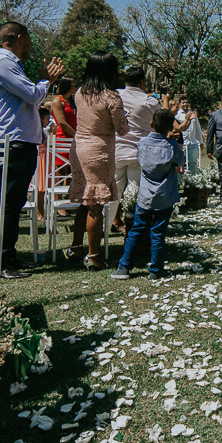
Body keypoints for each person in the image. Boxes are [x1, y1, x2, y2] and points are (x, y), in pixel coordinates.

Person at [0, 21, 64, 277]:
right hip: (14, 141)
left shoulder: (12, 65)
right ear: (20, 38)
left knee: (15, 202)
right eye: (29, 40)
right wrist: (45, 80)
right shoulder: (3, 63)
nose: (31, 46)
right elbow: (32, 95)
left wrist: (42, 82)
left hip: (24, 141)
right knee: (8, 203)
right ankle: (1, 261)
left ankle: (6, 255)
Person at [67, 51, 128, 269]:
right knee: (96, 205)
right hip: (97, 151)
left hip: (78, 147)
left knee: (86, 200)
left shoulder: (81, 92)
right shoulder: (110, 97)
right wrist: (124, 118)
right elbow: (122, 129)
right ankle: (94, 256)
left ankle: (76, 247)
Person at [111, 109, 184, 281]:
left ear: (152, 124)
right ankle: (156, 269)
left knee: (135, 230)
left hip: (145, 196)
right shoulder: (171, 146)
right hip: (164, 197)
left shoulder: (142, 143)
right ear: (170, 127)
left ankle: (124, 267)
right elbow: (180, 162)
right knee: (158, 233)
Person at [108, 67, 164, 232]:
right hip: (139, 154)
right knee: (136, 195)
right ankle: (135, 231)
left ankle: (104, 230)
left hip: (117, 151)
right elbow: (162, 120)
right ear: (142, 82)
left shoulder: (115, 95)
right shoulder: (149, 101)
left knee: (112, 195)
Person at [175, 97, 202, 174]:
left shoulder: (192, 114)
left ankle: (192, 181)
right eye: (183, 103)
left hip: (193, 142)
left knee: (193, 163)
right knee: (182, 164)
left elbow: (198, 128)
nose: (185, 104)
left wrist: (200, 141)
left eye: (186, 102)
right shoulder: (177, 115)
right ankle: (183, 181)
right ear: (180, 104)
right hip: (182, 143)